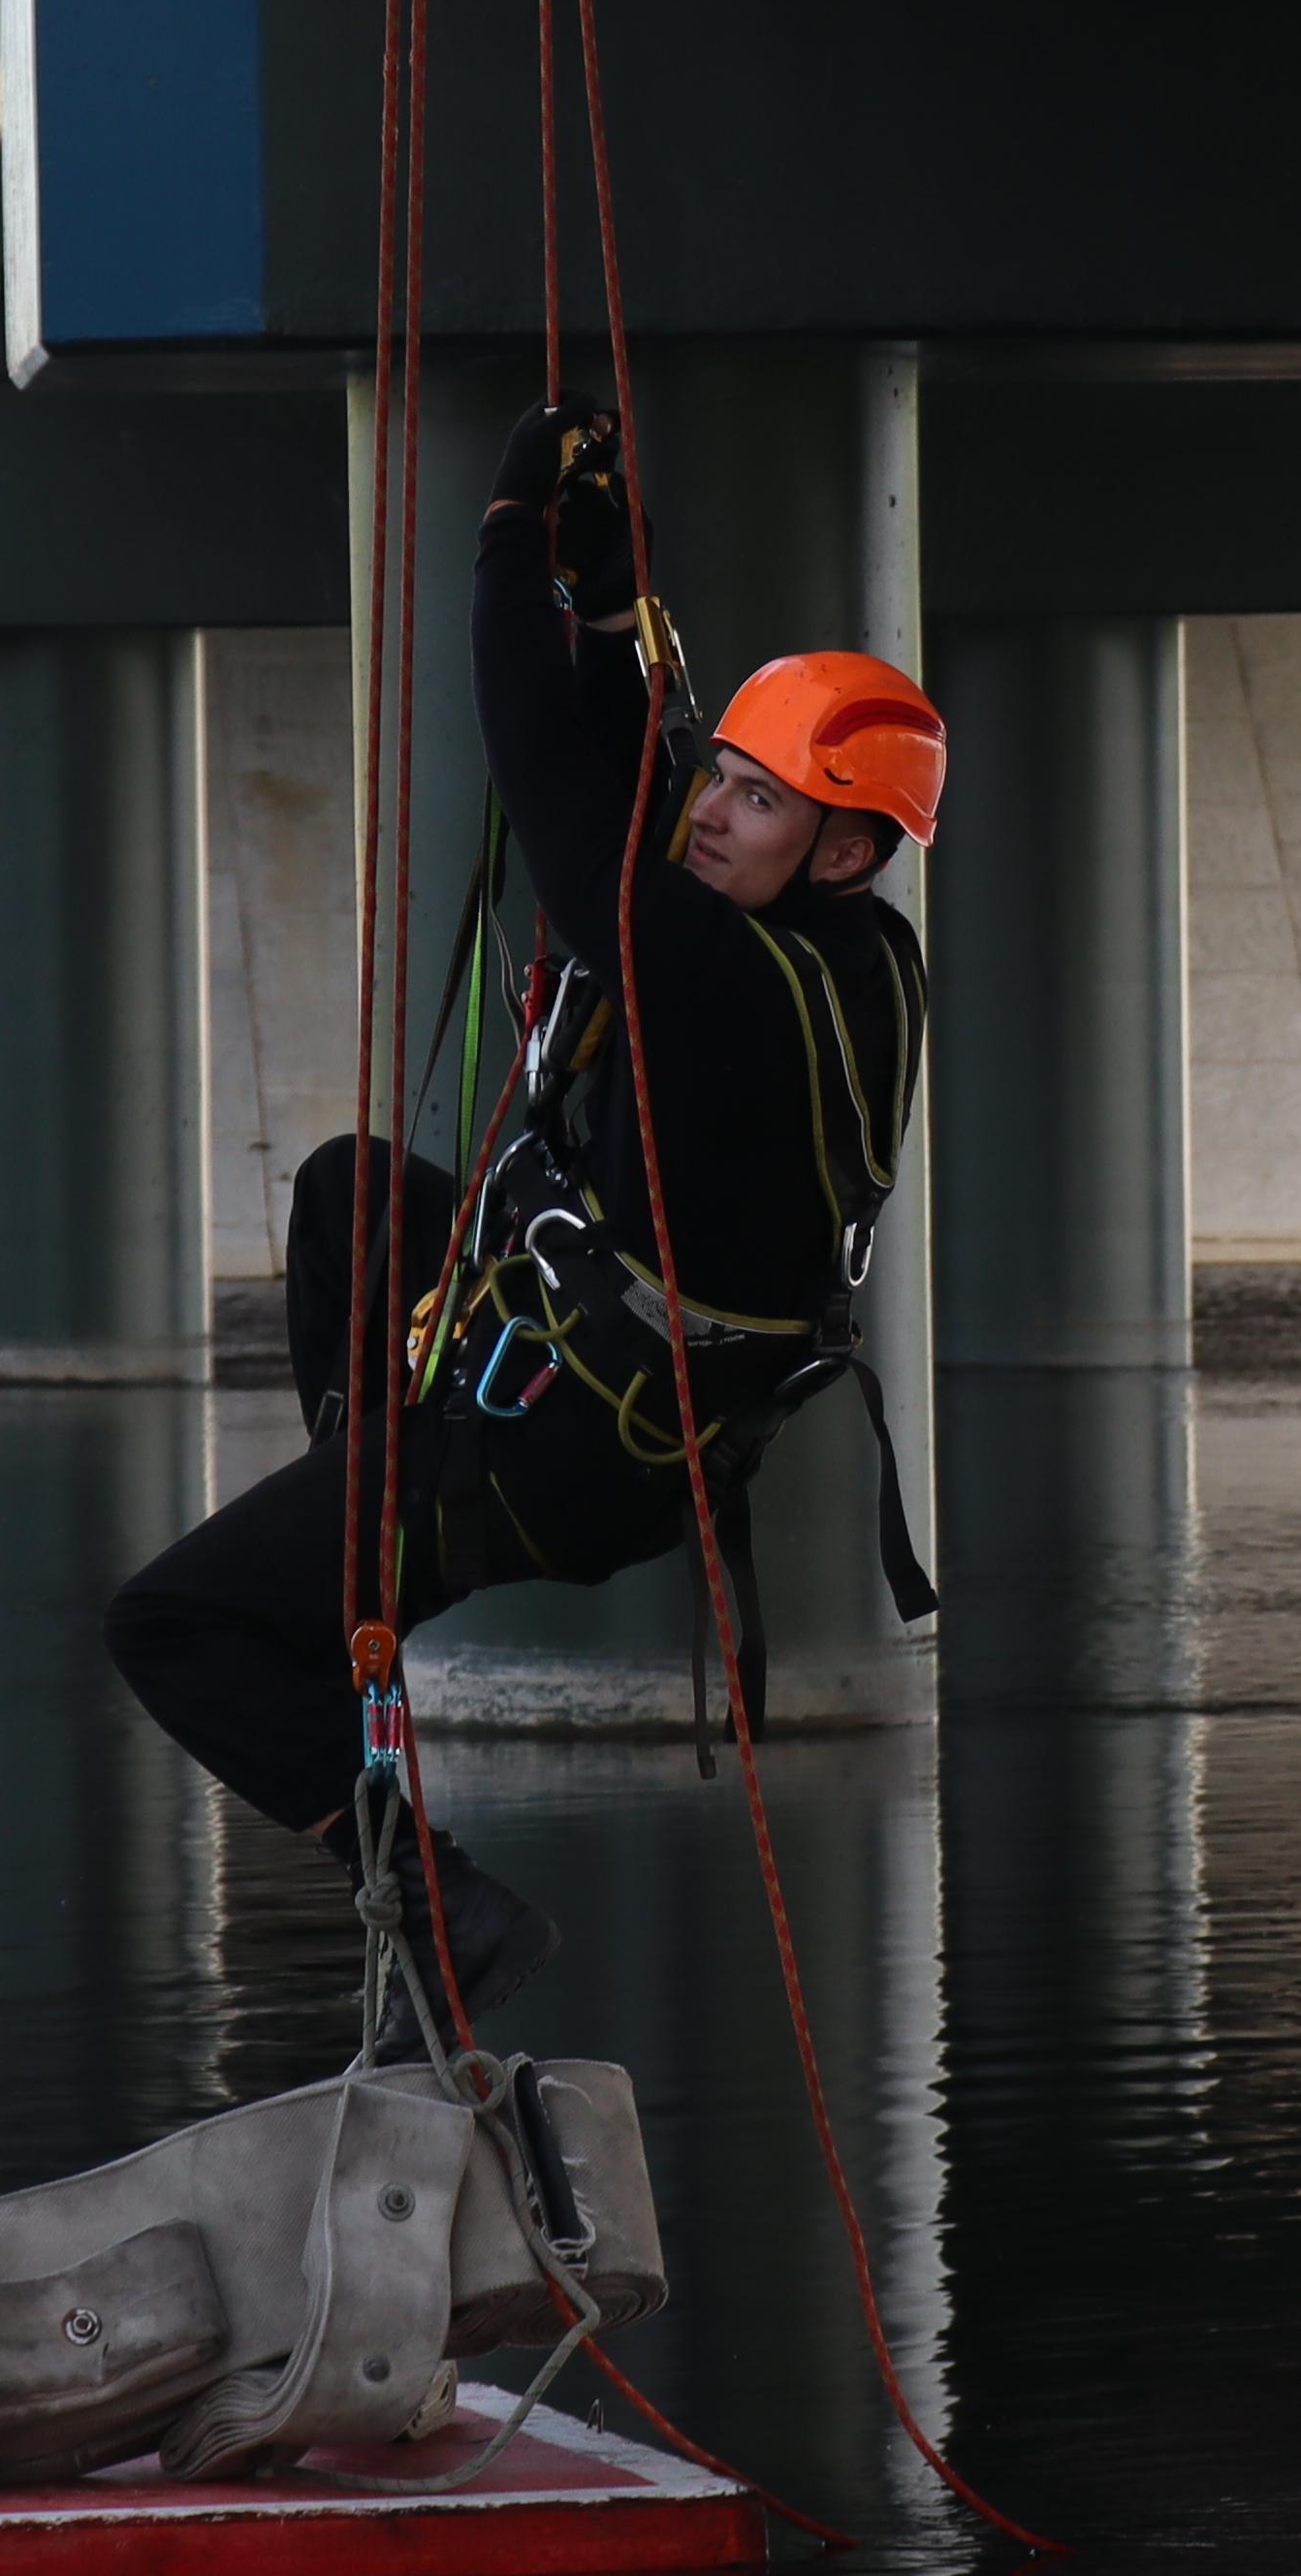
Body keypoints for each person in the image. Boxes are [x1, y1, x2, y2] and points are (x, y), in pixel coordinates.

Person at [105, 397, 944, 2057]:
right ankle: (363, 1555)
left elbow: (550, 779)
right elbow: (637, 785)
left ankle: (445, 1903)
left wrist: (506, 546)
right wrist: (620, 618)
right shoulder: (849, 959)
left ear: (846, 848)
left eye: (761, 804)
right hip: (623, 1395)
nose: (713, 810)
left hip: (581, 1442)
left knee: (168, 1624)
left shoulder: (716, 974)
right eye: (721, 778)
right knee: (347, 1192)